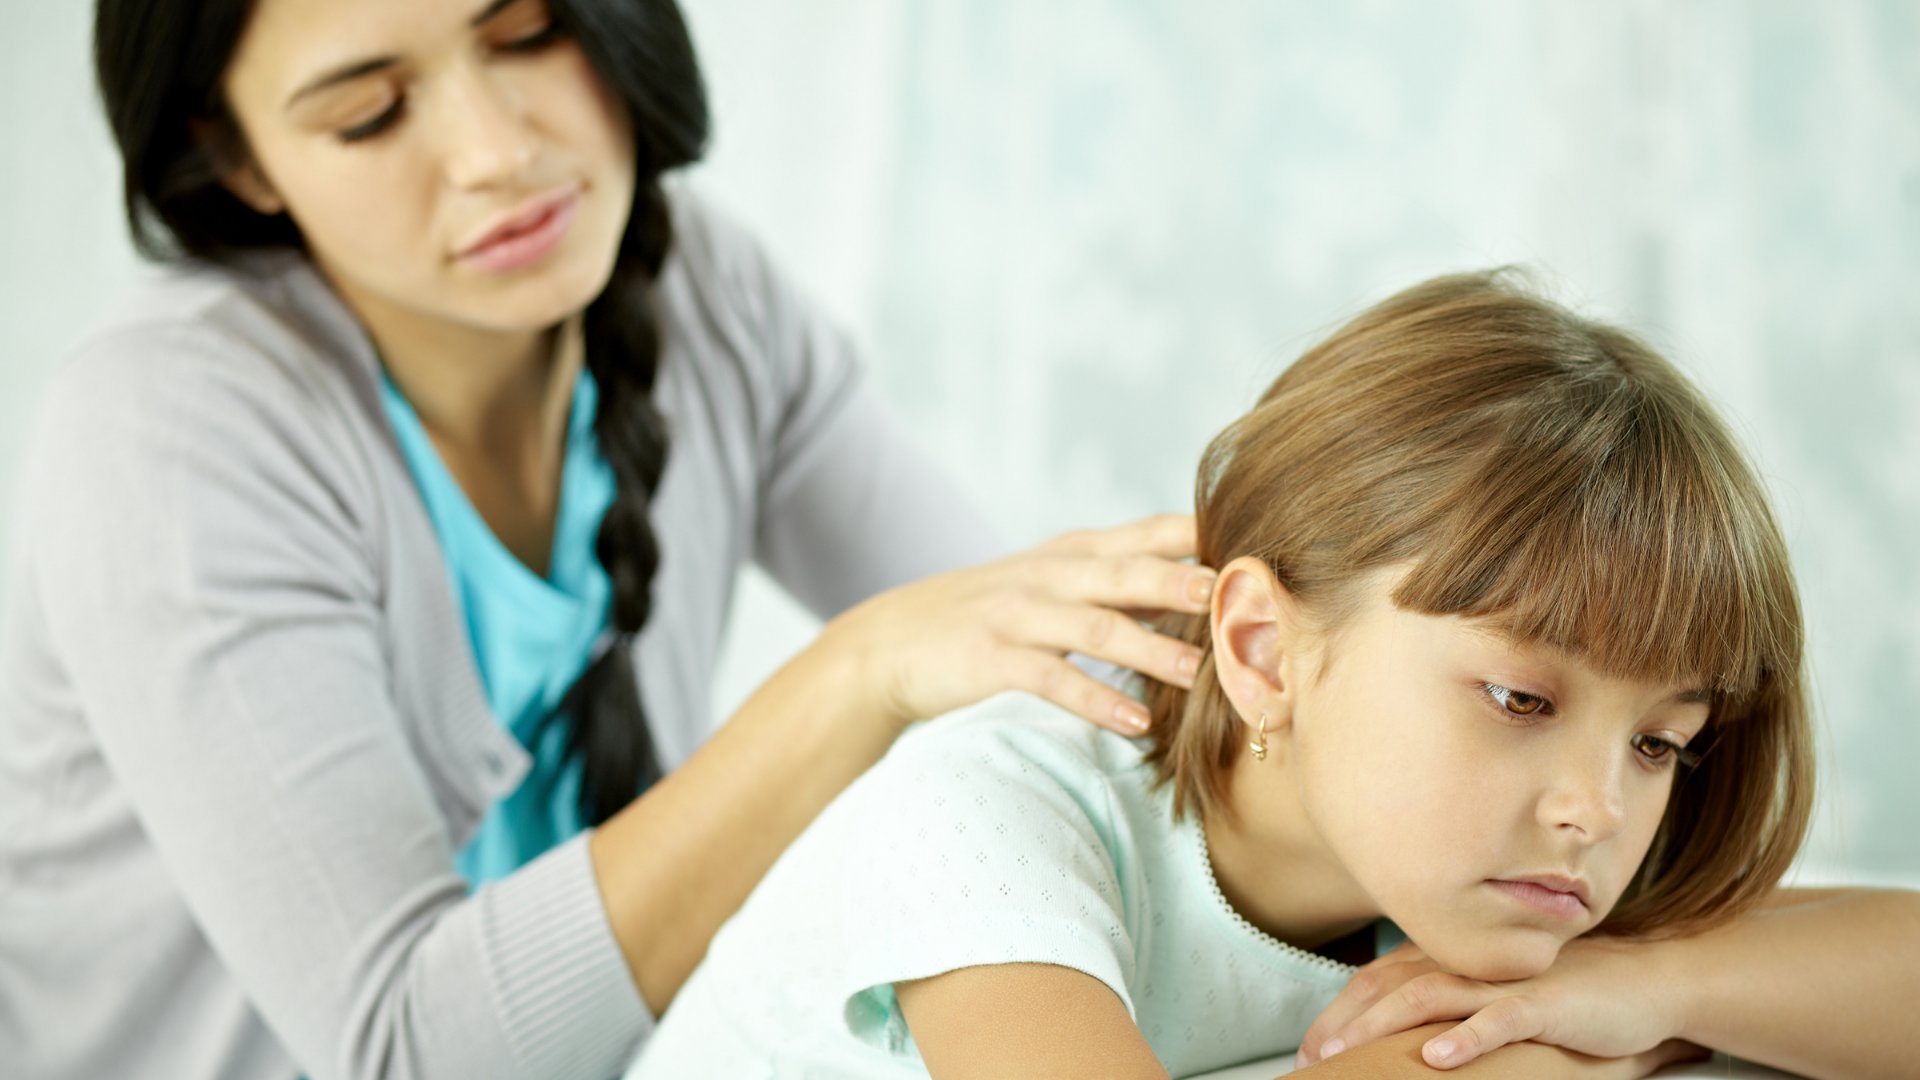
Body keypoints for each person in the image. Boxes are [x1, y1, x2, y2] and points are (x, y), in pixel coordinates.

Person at [0, 2, 1219, 1078]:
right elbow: (408, 1051)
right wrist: (854, 677)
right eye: (370, 114)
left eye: (528, 31)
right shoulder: (171, 427)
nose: (497, 153)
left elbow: (1070, 673)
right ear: (236, 156)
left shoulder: (704, 295)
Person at [627, 271, 1920, 1079]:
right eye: (1522, 700)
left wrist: (1644, 986)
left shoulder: (1461, 867)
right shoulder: (989, 809)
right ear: (1263, 651)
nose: (1597, 808)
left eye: (1660, 743)